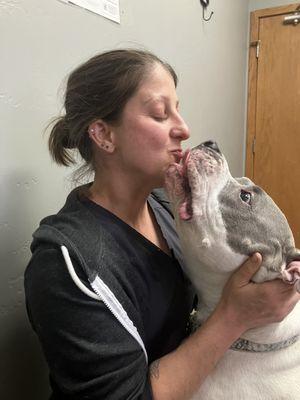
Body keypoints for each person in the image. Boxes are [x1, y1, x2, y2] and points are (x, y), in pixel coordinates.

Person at [24, 49, 300, 400]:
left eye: (178, 109)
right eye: (160, 113)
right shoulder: (69, 263)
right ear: (103, 135)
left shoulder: (165, 208)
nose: (184, 129)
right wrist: (234, 317)